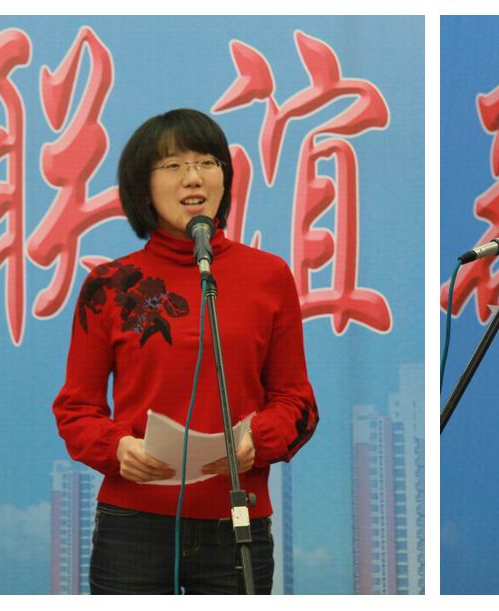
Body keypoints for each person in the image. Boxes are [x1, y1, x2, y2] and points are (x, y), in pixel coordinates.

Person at [52, 109, 318, 594]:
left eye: (207, 162)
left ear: (224, 179)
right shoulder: (110, 285)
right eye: (173, 165)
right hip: (132, 529)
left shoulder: (268, 276)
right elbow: (76, 409)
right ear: (143, 186)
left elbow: (297, 402)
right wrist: (117, 448)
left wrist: (258, 440)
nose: (193, 177)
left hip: (235, 525)